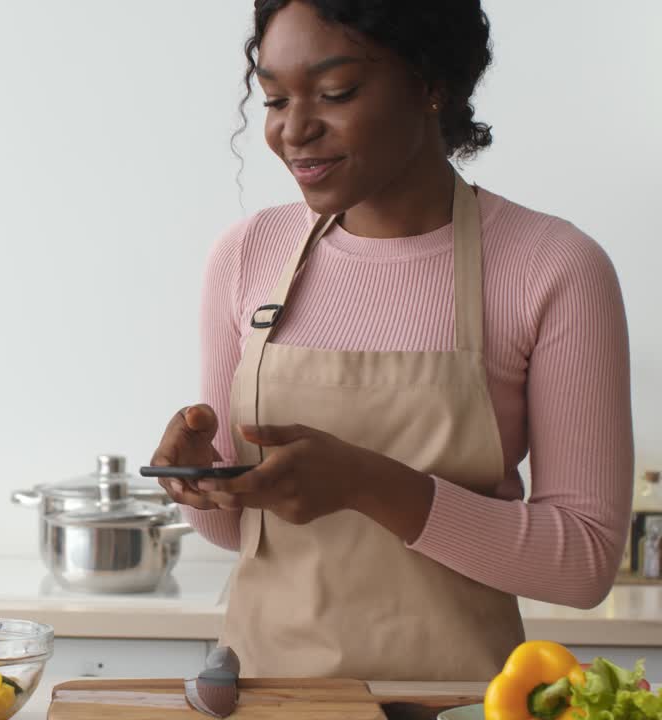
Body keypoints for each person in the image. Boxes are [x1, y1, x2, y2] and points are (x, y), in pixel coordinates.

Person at [150, 0, 632, 681]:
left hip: (460, 701)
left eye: (336, 92)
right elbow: (240, 536)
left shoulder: (551, 266)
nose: (295, 129)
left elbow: (583, 564)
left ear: (432, 83)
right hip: (271, 697)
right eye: (275, 98)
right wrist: (203, 484)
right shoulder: (249, 252)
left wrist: (365, 483)